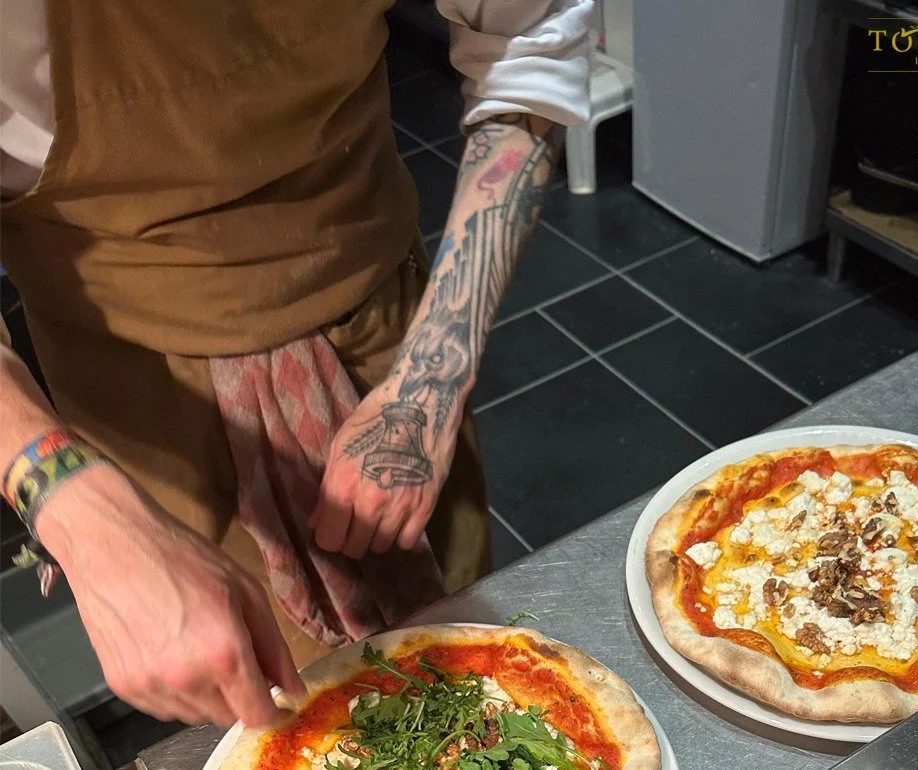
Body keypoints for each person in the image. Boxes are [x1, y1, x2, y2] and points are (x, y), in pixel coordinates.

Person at [0, 0, 590, 728]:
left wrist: (430, 382)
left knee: (476, 682)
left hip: (389, 339)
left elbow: (525, 45)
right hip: (138, 400)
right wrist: (79, 507)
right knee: (272, 730)